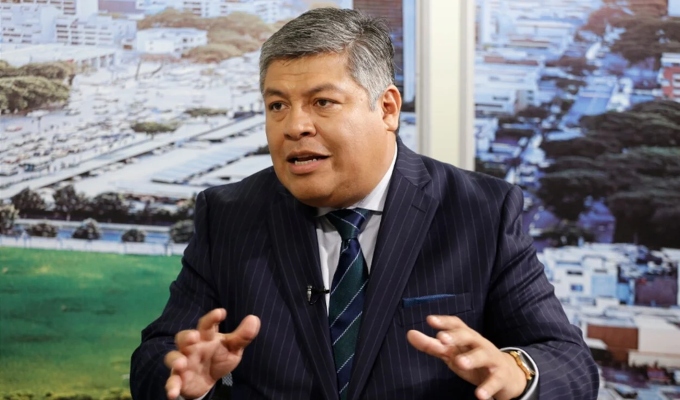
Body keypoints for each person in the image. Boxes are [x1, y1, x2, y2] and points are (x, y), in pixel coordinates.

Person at [130, 8, 599, 400]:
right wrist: (186, 380)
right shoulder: (229, 214)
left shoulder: (481, 210)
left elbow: (570, 362)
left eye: (322, 102)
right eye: (277, 106)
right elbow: (155, 356)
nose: (294, 126)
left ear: (387, 109)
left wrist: (515, 372)